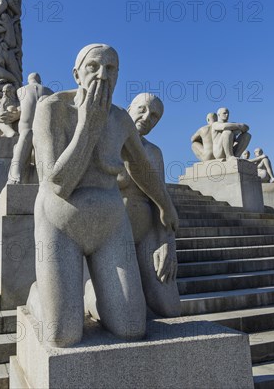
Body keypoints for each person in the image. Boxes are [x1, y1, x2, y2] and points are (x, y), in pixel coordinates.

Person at [27, 44, 178, 347]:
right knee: (63, 335)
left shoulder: (121, 119)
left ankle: (94, 299)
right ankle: (38, 293)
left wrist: (166, 205)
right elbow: (57, 184)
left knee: (132, 328)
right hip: (60, 223)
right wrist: (88, 125)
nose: (102, 75)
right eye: (93, 67)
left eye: (111, 69)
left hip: (110, 225)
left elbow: (141, 167)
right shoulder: (52, 109)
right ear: (76, 74)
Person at [8, 73, 53, 184]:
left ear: (29, 81)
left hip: (26, 127)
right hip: (44, 128)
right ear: (40, 80)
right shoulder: (50, 92)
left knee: (24, 140)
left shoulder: (21, 90)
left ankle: (15, 176)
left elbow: (19, 108)